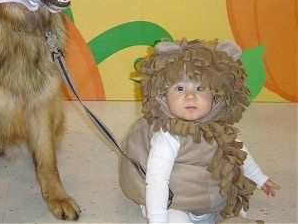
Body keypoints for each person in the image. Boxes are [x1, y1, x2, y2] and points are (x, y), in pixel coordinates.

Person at [119, 38, 280, 223]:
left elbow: (240, 154)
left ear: (216, 96)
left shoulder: (220, 129)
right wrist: (157, 218)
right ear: (163, 95)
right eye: (179, 88)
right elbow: (157, 180)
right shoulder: (167, 135)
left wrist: (261, 178)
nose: (190, 96)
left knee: (234, 212)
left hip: (213, 201)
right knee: (177, 220)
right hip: (174, 203)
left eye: (201, 88)